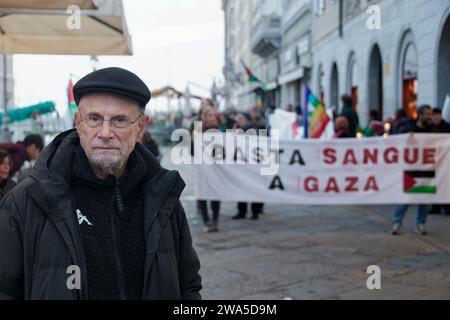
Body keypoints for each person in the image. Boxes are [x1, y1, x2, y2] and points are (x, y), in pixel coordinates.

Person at [0, 67, 201, 300]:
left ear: (140, 127)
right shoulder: (26, 201)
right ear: (78, 122)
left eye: (119, 120)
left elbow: (188, 285)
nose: (105, 133)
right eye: (94, 119)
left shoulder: (163, 199)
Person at [391, 105, 434, 236]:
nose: (429, 116)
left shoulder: (433, 130)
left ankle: (421, 224)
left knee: (425, 200)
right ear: (420, 115)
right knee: (405, 198)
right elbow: (397, 141)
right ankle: (396, 223)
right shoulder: (409, 128)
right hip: (411, 169)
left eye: (430, 114)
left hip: (427, 170)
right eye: (427, 114)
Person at [232, 107, 265, 220]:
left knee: (254, 187)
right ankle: (242, 210)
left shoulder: (253, 129)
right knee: (241, 187)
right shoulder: (238, 129)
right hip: (242, 163)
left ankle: (254, 211)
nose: (238, 121)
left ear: (246, 119)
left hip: (253, 163)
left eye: (241, 119)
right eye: (238, 119)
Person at [428, 108, 450, 215]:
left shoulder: (447, 127)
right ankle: (435, 206)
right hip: (433, 160)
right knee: (434, 182)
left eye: (438, 115)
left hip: (446, 160)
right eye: (434, 115)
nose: (436, 117)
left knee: (445, 183)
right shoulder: (429, 127)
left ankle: (446, 206)